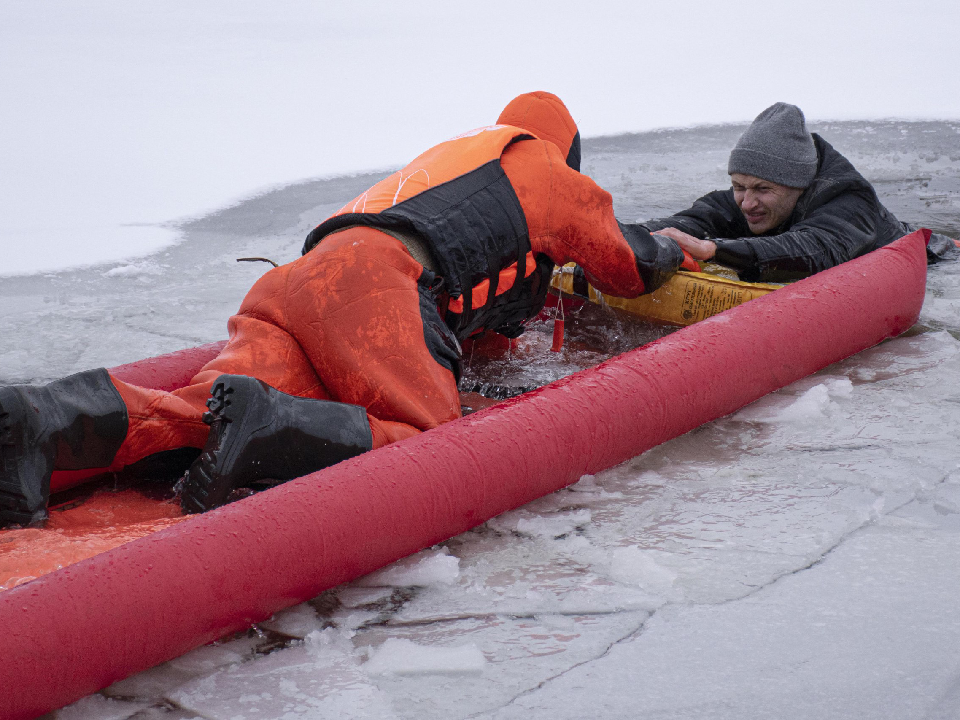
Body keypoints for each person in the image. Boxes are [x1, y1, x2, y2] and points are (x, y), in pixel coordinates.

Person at [0, 91, 692, 528]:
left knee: (207, 403)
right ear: (567, 155)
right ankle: (271, 427)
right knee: (431, 441)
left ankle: (53, 417)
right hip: (371, 289)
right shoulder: (550, 173)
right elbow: (625, 266)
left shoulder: (452, 162)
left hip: (294, 284)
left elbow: (462, 278)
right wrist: (676, 249)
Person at [643, 102, 959, 283]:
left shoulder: (850, 203)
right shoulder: (751, 199)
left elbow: (813, 248)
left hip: (940, 264)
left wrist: (713, 249)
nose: (747, 202)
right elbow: (700, 218)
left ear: (799, 184)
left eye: (762, 189)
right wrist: (637, 236)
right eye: (739, 186)